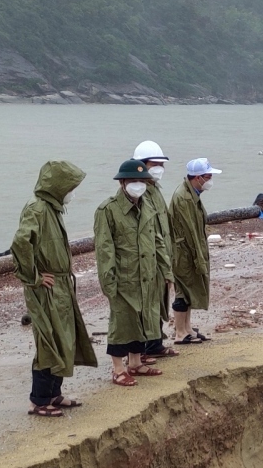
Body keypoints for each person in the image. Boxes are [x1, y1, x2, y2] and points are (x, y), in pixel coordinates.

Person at [11, 160, 96, 416]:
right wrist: (34, 277)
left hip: (59, 285)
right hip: (45, 288)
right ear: (57, 186)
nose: (72, 192)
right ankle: (39, 401)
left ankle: (54, 394)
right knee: (48, 340)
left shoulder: (52, 209)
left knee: (64, 338)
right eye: (70, 186)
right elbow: (20, 242)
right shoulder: (37, 209)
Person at [93, 159, 166, 387]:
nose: (138, 185)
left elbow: (157, 241)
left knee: (142, 319)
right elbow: (104, 249)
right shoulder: (108, 210)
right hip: (123, 276)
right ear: (122, 182)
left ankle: (135, 362)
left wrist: (166, 271)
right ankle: (118, 368)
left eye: (141, 181)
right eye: (133, 180)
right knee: (121, 321)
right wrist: (108, 282)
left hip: (147, 274)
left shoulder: (147, 206)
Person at [133, 140, 178, 360]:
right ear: (141, 165)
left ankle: (155, 342)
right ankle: (142, 348)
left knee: (160, 299)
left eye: (162, 164)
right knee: (146, 303)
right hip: (148, 258)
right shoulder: (138, 192)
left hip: (161, 255)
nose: (160, 168)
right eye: (155, 164)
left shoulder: (155, 190)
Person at [171, 157, 220, 344]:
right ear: (197, 177)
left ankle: (187, 328)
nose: (210, 180)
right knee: (183, 291)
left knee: (190, 290)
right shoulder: (184, 198)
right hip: (184, 252)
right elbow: (191, 231)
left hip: (189, 249)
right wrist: (199, 258)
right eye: (207, 176)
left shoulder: (192, 194)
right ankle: (180, 332)